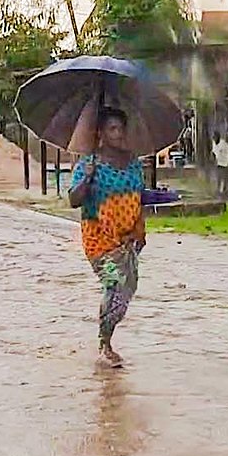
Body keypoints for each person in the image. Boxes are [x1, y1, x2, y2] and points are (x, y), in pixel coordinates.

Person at [68, 109, 146, 368]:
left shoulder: (133, 164)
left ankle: (107, 337)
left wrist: (140, 229)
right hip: (99, 237)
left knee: (128, 288)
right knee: (115, 284)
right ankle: (105, 344)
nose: (118, 134)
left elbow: (139, 198)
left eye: (121, 128)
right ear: (100, 133)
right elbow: (73, 200)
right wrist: (87, 178)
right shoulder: (88, 164)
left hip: (127, 237)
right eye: (112, 129)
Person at [210, 132, 228, 199]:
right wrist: (213, 159)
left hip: (225, 163)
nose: (214, 139)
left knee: (225, 178)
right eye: (214, 138)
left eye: (215, 137)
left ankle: (226, 191)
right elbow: (213, 152)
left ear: (218, 137)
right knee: (218, 177)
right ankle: (218, 191)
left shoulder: (223, 143)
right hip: (218, 163)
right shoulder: (214, 143)